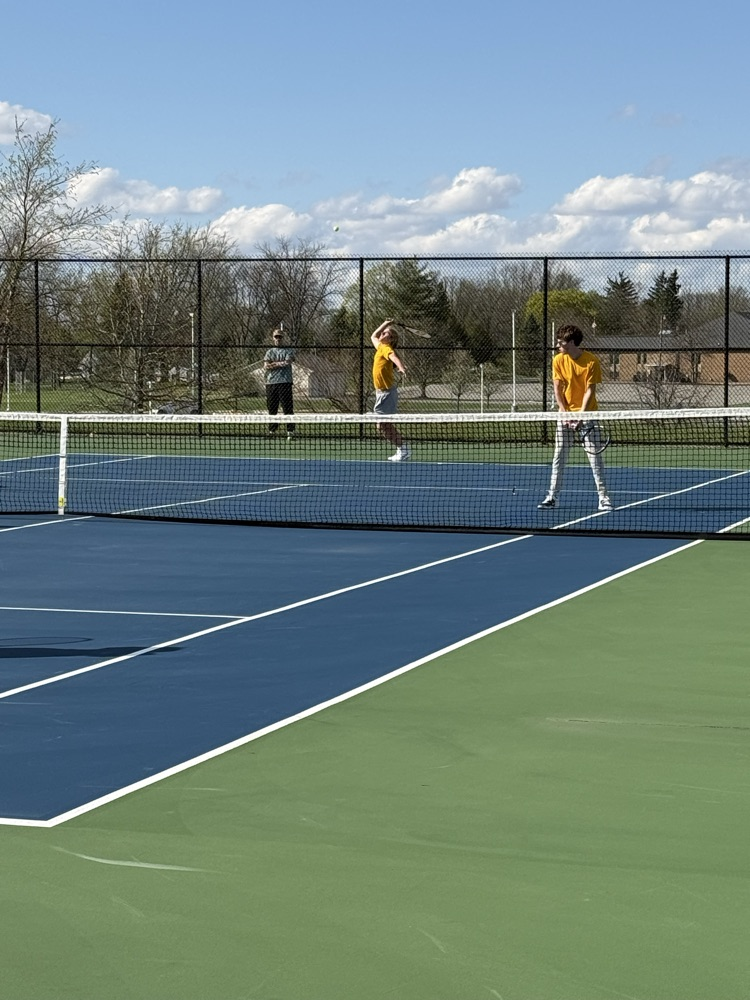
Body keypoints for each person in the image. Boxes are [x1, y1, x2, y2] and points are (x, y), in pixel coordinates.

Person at [538, 324, 612, 511]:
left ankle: (603, 498)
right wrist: (564, 412)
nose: (557, 345)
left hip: (587, 414)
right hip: (565, 414)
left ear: (571, 342)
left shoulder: (591, 362)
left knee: (594, 458)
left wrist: (580, 417)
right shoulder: (558, 360)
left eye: (561, 342)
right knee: (559, 455)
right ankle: (552, 497)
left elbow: (590, 391)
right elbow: (557, 388)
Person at [370, 319, 410, 461]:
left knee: (382, 426)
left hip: (386, 393)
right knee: (383, 426)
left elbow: (394, 357)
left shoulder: (387, 349)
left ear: (391, 339)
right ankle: (403, 449)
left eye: (385, 333)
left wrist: (401, 367)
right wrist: (386, 323)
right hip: (381, 393)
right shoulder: (380, 346)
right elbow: (373, 336)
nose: (382, 333)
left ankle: (403, 449)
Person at [263, 326, 295, 436]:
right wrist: (279, 363)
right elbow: (266, 366)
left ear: (283, 338)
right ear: (273, 338)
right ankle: (272, 431)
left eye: (280, 337)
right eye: (276, 336)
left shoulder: (288, 350)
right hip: (271, 383)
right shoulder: (269, 352)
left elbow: (288, 362)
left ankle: (290, 431)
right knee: (272, 408)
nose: (278, 339)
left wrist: (274, 364)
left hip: (285, 382)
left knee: (287, 407)